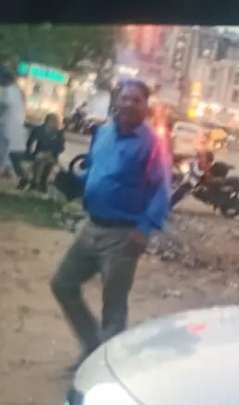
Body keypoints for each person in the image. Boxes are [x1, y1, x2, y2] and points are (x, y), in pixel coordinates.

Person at [50, 79, 171, 369]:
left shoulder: (152, 143)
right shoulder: (103, 132)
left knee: (113, 307)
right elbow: (95, 170)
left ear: (146, 106)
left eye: (136, 100)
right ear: (116, 100)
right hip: (92, 226)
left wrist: (145, 229)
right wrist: (75, 185)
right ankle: (93, 347)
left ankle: (105, 370)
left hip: (124, 235)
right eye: (124, 98)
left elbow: (162, 190)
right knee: (62, 284)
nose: (129, 104)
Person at [11, 113, 65, 191]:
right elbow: (30, 143)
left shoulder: (59, 133)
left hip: (51, 156)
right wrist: (32, 153)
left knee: (43, 160)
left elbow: (61, 148)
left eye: (57, 122)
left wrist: (49, 153)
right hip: (36, 154)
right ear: (48, 121)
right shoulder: (38, 130)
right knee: (14, 156)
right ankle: (27, 178)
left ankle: (32, 182)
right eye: (55, 121)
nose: (57, 124)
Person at [0, 66, 27, 177]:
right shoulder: (16, 91)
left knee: (4, 148)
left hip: (7, 125)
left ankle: (9, 171)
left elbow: (4, 105)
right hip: (13, 125)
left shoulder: (8, 90)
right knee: (6, 149)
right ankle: (7, 170)